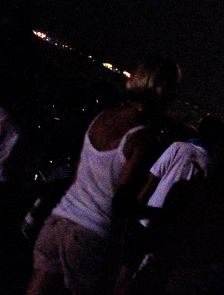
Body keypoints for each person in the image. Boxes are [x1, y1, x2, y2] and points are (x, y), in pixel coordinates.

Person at [27, 56, 181, 295]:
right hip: (92, 237)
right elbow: (121, 203)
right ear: (161, 89)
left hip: (59, 222)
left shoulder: (103, 118)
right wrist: (161, 214)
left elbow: (79, 172)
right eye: (173, 88)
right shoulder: (143, 138)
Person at [129, 130, 224, 295]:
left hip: (156, 276)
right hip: (190, 285)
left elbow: (154, 236)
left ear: (219, 155)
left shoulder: (185, 190)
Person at [137, 115, 224, 226]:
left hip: (148, 218)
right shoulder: (209, 166)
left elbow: (152, 180)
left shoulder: (178, 147)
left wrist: (136, 208)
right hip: (173, 226)